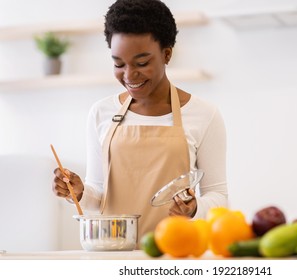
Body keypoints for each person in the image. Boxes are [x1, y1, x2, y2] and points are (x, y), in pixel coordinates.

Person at [52, 0, 228, 238]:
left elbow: (219, 198)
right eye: (118, 63)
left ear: (167, 54)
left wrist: (195, 208)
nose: (129, 75)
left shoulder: (204, 114)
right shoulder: (100, 112)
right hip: (112, 251)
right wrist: (79, 192)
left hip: (174, 252)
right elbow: (100, 196)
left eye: (142, 63)